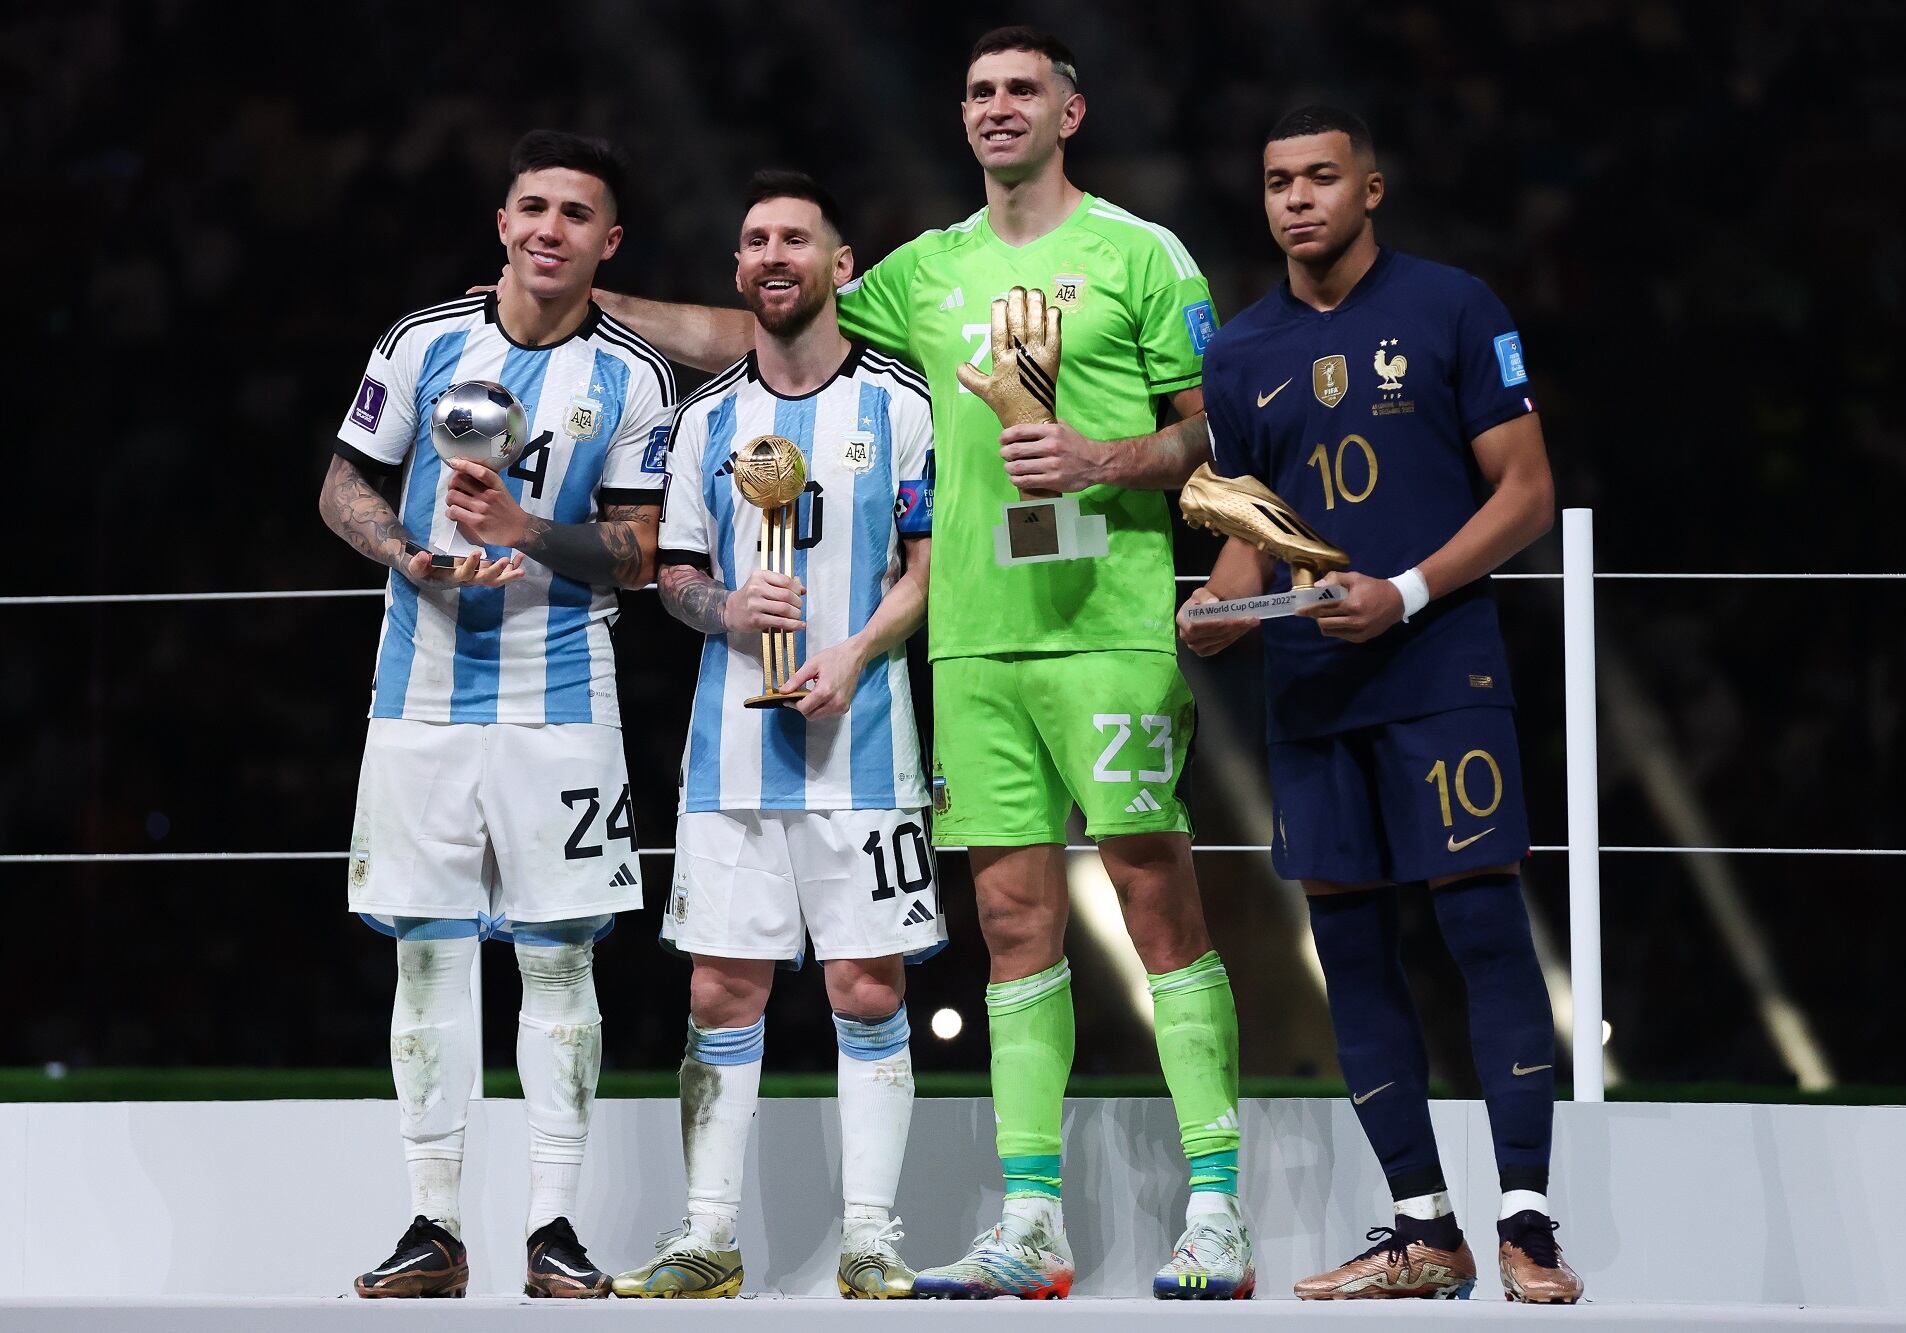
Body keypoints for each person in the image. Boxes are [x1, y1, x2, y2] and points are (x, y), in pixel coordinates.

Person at [595, 25, 1250, 1302]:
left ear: (1071, 110)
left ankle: (1215, 1209)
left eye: (1022, 90)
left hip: (1107, 626)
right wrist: (595, 306)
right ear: (961, 121)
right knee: (1013, 930)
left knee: (1157, 902)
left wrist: (1100, 461)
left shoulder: (1137, 253)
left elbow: (1211, 430)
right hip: (972, 642)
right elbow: (765, 321)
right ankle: (1033, 1222)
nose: (997, 108)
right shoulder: (925, 269)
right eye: (978, 93)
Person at [1179, 104, 1582, 1303]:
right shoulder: (1240, 352)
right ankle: (1421, 1228)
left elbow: (1525, 495)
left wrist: (1403, 593)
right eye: (1273, 182)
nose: (1294, 199)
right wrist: (1215, 607)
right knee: (1347, 947)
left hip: (1437, 669)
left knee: (1477, 928)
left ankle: (1526, 1220)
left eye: (1318, 177)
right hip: (1312, 688)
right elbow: (1257, 537)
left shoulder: (1453, 306)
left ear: (1370, 188)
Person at [321, 129, 676, 1299]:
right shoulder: (420, 341)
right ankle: (432, 1224)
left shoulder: (631, 377)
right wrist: (407, 552)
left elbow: (637, 554)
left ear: (606, 243)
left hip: (561, 701)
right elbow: (341, 484)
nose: (548, 230)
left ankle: (552, 1227)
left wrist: (526, 533)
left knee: (558, 955)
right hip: (415, 693)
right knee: (424, 954)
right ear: (502, 222)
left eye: (576, 215)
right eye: (532, 207)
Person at [608, 170, 940, 1301]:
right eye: (753, 241)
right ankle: (707, 1237)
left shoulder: (898, 402)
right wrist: (721, 608)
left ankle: (870, 1238)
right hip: (730, 757)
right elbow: (676, 575)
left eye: (795, 238)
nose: (771, 255)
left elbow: (929, 567)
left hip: (867, 745)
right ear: (738, 271)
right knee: (718, 992)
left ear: (840, 265)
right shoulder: (702, 420)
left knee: (866, 987)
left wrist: (852, 653)